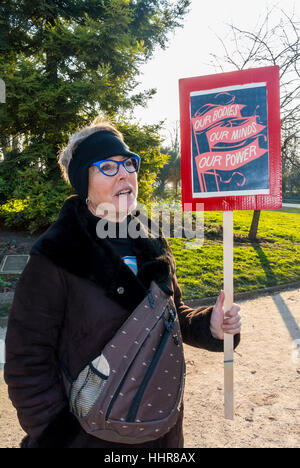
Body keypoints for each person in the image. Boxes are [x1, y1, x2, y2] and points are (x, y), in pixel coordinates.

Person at [4, 117, 241, 448]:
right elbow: (26, 361)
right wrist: (59, 436)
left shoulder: (152, 238)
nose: (125, 173)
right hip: (88, 437)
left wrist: (211, 326)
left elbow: (173, 316)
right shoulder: (57, 253)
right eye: (107, 166)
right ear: (83, 181)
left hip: (161, 431)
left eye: (129, 163)